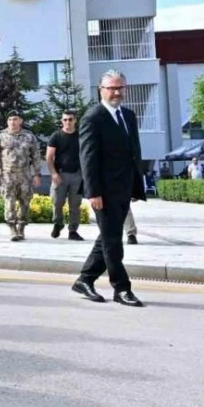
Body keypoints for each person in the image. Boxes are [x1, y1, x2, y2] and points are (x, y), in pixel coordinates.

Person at [71, 70, 145, 307]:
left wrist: (135, 185)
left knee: (108, 237)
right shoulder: (93, 118)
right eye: (111, 88)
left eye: (120, 88)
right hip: (103, 191)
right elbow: (88, 159)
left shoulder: (129, 116)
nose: (116, 92)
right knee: (113, 240)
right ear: (100, 90)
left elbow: (133, 153)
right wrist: (93, 193)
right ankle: (121, 288)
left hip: (123, 187)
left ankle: (85, 279)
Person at [0, 112, 40, 241]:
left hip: (25, 174)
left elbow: (35, 156)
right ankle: (12, 227)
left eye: (15, 119)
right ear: (7, 121)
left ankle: (21, 227)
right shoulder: (0, 136)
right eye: (10, 119)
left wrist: (36, 174)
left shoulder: (29, 136)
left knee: (25, 201)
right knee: (9, 201)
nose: (12, 122)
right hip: (7, 175)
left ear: (20, 121)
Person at [47, 110, 84, 241]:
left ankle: (73, 231)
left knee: (75, 205)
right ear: (62, 121)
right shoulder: (56, 136)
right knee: (57, 202)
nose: (67, 122)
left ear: (75, 121)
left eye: (70, 119)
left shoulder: (80, 136)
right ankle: (58, 224)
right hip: (60, 175)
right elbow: (49, 157)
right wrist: (53, 173)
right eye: (65, 119)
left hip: (77, 175)